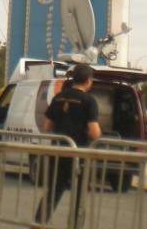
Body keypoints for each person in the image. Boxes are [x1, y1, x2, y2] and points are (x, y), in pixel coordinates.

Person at [34, 63, 101, 227]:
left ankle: (37, 224)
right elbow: (95, 132)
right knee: (79, 197)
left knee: (52, 194)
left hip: (57, 153)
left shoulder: (59, 97)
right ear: (89, 81)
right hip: (78, 155)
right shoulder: (89, 101)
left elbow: (47, 126)